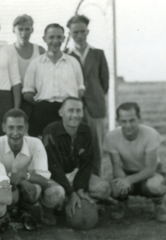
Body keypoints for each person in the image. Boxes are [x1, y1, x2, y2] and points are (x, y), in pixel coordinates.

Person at [0, 109, 65, 230]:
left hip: (30, 184)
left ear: (26, 127)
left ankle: (25, 212)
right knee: (10, 192)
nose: (15, 133)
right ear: (3, 127)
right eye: (11, 127)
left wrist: (24, 176)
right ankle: (6, 213)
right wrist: (20, 179)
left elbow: (44, 178)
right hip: (6, 185)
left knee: (56, 192)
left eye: (20, 127)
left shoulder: (36, 143)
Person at [42, 97, 112, 225]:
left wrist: (80, 188)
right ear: (61, 112)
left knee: (104, 189)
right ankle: (47, 210)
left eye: (78, 111)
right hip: (53, 176)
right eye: (70, 110)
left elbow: (87, 163)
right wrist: (71, 192)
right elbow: (53, 166)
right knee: (56, 194)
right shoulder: (50, 131)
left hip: (73, 174)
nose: (75, 115)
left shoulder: (85, 130)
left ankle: (78, 205)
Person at [104, 102, 166, 222]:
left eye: (132, 120)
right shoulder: (111, 137)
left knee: (154, 185)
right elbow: (116, 167)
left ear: (139, 118)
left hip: (150, 174)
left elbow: (150, 169)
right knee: (113, 188)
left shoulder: (150, 134)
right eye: (124, 121)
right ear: (118, 120)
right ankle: (122, 203)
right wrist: (122, 182)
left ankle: (159, 204)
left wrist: (128, 180)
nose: (128, 125)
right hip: (126, 171)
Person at [65, 15, 109, 176]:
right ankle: (76, 185)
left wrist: (93, 98)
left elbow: (104, 83)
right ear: (69, 33)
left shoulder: (98, 54)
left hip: (95, 108)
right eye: (75, 32)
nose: (79, 35)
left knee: (96, 147)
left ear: (87, 31)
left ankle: (98, 182)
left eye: (82, 31)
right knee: (73, 146)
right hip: (73, 108)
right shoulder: (65, 55)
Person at [23, 24, 85, 137]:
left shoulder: (73, 62)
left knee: (65, 145)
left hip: (67, 111)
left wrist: (69, 105)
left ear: (63, 38)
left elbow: (80, 90)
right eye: (51, 37)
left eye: (58, 37)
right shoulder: (36, 63)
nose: (55, 41)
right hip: (43, 110)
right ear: (44, 39)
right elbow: (27, 93)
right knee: (43, 146)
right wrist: (41, 103)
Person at [11, 15, 45, 118]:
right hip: (13, 95)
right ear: (13, 30)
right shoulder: (8, 50)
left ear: (32, 30)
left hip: (32, 95)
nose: (24, 33)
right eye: (20, 29)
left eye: (27, 29)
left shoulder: (40, 50)